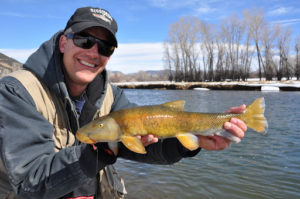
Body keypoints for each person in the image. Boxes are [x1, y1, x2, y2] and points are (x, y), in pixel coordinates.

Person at [0, 6, 247, 199]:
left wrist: (190, 143)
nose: (94, 53)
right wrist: (102, 150)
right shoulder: (17, 91)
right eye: (85, 40)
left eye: (106, 48)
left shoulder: (112, 97)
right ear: (63, 42)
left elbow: (143, 145)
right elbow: (29, 183)